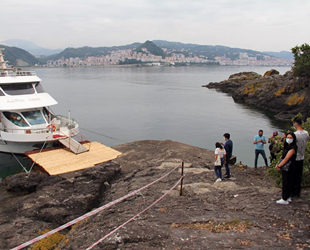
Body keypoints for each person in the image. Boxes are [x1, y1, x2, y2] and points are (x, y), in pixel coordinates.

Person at [275, 132, 297, 205]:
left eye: (291, 138)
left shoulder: (293, 148)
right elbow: (282, 156)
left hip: (289, 167)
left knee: (286, 182)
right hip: (285, 166)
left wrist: (279, 166)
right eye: (288, 137)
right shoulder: (287, 146)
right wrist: (277, 164)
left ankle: (285, 198)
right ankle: (288, 197)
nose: (289, 139)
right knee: (288, 181)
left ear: (293, 139)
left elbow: (286, 158)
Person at [292, 117, 309, 198]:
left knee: (293, 175)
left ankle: (293, 192)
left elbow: (292, 146)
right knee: (299, 175)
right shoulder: (306, 133)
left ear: (295, 123)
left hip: (295, 157)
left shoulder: (295, 134)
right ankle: (298, 192)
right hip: (302, 156)